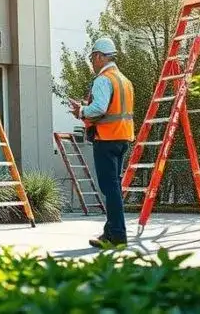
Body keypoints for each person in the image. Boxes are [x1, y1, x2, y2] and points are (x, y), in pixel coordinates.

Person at [70, 37, 134, 249]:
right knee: (113, 186)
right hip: (123, 138)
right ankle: (111, 231)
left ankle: (117, 235)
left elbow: (99, 108)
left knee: (110, 188)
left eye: (92, 57)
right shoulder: (123, 80)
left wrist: (81, 111)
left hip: (107, 139)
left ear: (99, 56)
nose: (92, 62)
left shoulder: (103, 80)